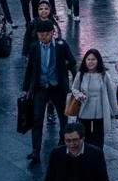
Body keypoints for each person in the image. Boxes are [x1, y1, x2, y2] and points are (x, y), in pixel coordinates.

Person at [21, 20, 77, 164]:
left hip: (58, 87)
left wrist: (73, 79)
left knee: (63, 118)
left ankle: (62, 144)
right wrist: (25, 89)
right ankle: (35, 150)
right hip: (41, 88)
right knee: (37, 118)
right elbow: (30, 70)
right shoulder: (34, 48)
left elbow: (72, 62)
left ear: (52, 33)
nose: (44, 37)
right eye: (41, 35)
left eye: (46, 34)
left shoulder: (61, 45)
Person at [70, 49, 118, 150]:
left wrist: (115, 110)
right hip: (84, 108)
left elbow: (111, 93)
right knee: (85, 134)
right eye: (88, 59)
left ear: (98, 61)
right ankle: (86, 154)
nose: (90, 62)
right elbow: (74, 89)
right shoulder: (81, 74)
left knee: (99, 135)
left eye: (93, 59)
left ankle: (98, 155)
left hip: (100, 109)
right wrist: (79, 95)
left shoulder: (104, 75)